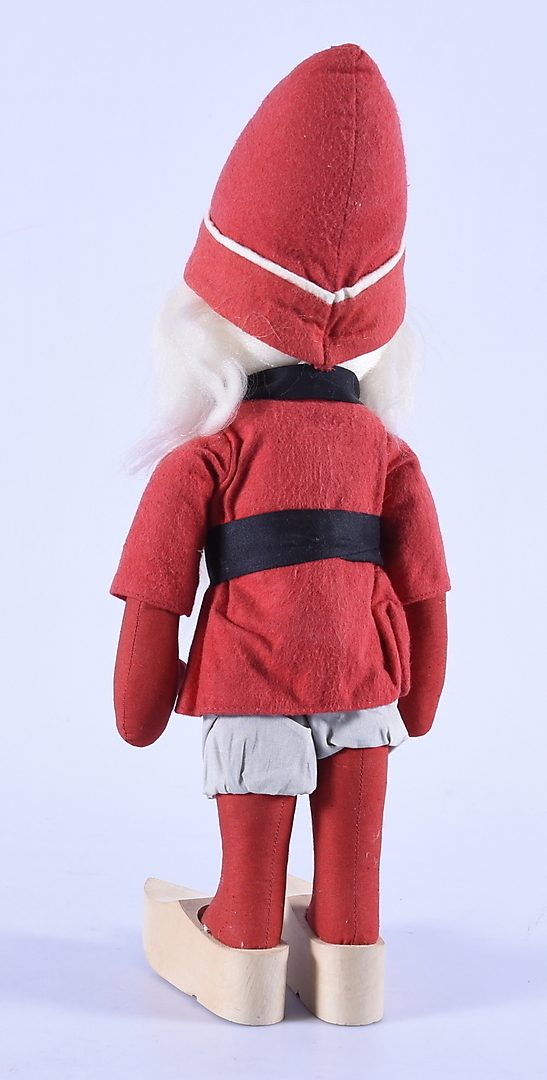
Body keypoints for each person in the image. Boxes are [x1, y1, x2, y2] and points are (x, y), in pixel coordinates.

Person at [111, 43, 449, 1006]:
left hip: (250, 677)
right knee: (355, 844)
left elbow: (156, 596)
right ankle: (351, 957)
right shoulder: (387, 454)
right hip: (366, 681)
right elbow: (425, 587)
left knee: (253, 837)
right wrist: (421, 696)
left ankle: (247, 942)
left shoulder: (204, 459)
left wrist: (142, 708)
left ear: (205, 318)